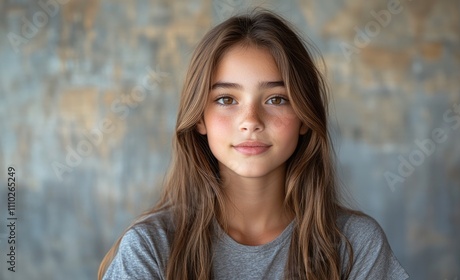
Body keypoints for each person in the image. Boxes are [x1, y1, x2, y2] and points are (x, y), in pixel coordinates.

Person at [98, 9, 409, 280]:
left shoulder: (355, 244)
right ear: (199, 119)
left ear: (304, 116)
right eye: (226, 99)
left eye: (276, 99)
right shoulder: (150, 247)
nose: (251, 120)